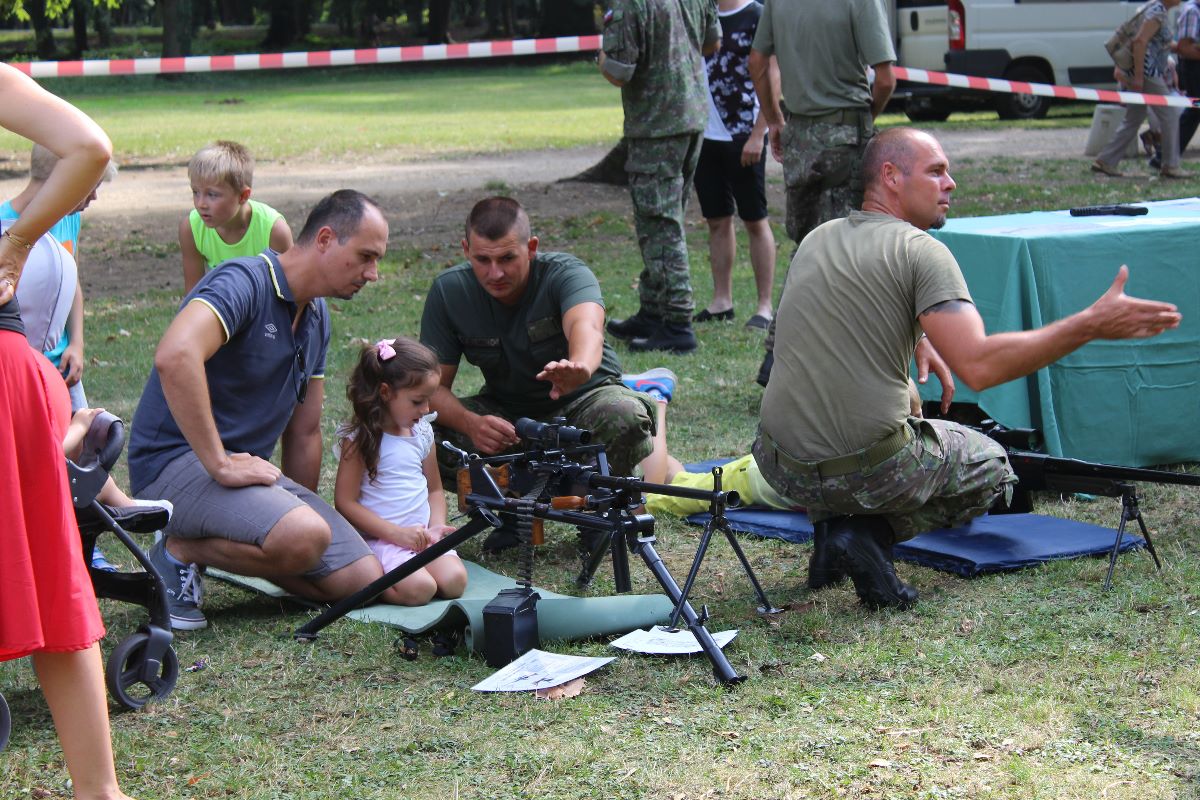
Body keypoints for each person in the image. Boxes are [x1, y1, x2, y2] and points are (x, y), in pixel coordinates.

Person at [752, 127, 1181, 610]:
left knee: (849, 432)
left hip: (780, 465)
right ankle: (868, 533)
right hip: (865, 471)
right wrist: (1090, 324)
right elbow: (979, 367)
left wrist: (919, 338)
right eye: (936, 171)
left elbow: (837, 320)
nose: (950, 183)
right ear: (890, 176)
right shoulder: (921, 251)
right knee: (993, 466)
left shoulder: (818, 237)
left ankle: (830, 538)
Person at [129, 189, 389, 631]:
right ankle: (176, 551)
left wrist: (292, 511)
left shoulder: (317, 316)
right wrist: (220, 463)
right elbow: (176, 355)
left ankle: (257, 540)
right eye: (366, 257)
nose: (374, 274)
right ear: (325, 239)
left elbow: (304, 432)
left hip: (239, 473)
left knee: (361, 579)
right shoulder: (244, 281)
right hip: (172, 464)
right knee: (304, 537)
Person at [0, 62, 138, 800]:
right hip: (12, 374)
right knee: (49, 573)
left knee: (49, 574)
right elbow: (87, 144)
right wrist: (18, 240)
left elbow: (90, 150)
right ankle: (99, 791)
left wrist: (19, 242)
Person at [420, 197, 656, 547]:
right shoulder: (450, 290)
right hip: (512, 421)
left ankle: (603, 505)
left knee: (623, 414)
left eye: (507, 258)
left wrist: (580, 366)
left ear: (531, 248)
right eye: (482, 260)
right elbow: (429, 389)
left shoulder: (565, 273)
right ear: (466, 250)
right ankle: (511, 510)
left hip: (584, 408)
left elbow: (587, 326)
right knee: (416, 430)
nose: (495, 273)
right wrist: (471, 423)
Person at [747, 0, 896, 386]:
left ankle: (780, 357)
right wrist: (864, 121)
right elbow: (885, 79)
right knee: (840, 251)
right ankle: (793, 358)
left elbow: (757, 62)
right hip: (844, 135)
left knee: (809, 246)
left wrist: (774, 119)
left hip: (799, 137)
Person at [599, 0, 722, 353]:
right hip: (692, 117)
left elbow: (619, 71)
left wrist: (601, 58)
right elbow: (712, 43)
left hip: (657, 125)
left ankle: (677, 322)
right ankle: (653, 311)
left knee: (660, 225)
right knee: (665, 221)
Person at [334, 337, 468, 606]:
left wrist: (436, 526)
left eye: (428, 400)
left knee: (455, 582)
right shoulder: (361, 438)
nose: (426, 409)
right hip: (385, 540)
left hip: (423, 538)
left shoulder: (421, 432)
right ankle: (373, 581)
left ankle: (413, 571)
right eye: (418, 401)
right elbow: (345, 502)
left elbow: (434, 489)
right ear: (385, 392)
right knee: (420, 590)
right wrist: (396, 534)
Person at [2, 144, 117, 411]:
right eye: (91, 186)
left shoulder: (68, 218)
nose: (95, 196)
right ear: (63, 179)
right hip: (20, 370)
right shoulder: (5, 226)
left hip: (62, 366)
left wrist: (76, 344)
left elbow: (71, 282)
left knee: (83, 433)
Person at [692, 0, 778, 331]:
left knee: (755, 219)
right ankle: (721, 301)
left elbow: (773, 74)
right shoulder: (701, 13)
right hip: (705, 134)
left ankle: (764, 306)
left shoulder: (757, 15)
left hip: (744, 134)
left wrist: (759, 133)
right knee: (717, 220)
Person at [179, 140, 293, 294]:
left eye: (212, 195)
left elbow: (291, 292)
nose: (200, 204)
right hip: (225, 303)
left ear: (243, 196)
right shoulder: (191, 229)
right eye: (195, 192)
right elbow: (193, 294)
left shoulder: (274, 231)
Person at [1092, 0, 1186, 179]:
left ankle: (1106, 160)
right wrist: (1139, 77)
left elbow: (1155, 42)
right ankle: (1170, 165)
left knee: (1134, 118)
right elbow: (1140, 41)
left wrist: (1180, 48)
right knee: (1170, 115)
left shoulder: (1155, 8)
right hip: (1149, 74)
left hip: (1143, 72)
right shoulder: (1157, 12)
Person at [1175, 0, 1200, 152]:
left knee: (1195, 111)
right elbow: (1183, 48)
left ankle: (1166, 154)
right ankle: (1165, 154)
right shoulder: (1192, 11)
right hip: (1193, 69)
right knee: (1194, 110)